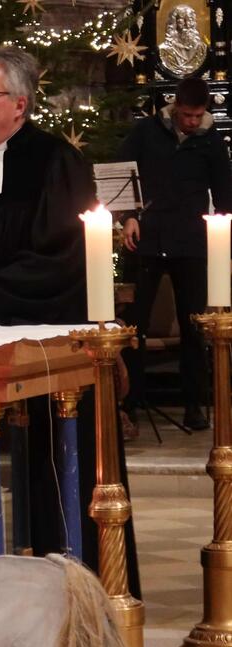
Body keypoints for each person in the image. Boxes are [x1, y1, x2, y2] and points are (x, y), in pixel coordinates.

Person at [0, 45, 139, 594]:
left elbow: (62, 257)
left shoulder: (54, 161)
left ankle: (75, 593)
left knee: (55, 476)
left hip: (44, 353)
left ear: (19, 104)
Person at [117, 76, 232, 432]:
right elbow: (122, 174)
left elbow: (225, 192)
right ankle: (131, 402)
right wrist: (129, 217)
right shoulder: (146, 132)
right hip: (146, 241)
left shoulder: (211, 142)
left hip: (192, 245)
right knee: (134, 326)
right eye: (186, 114)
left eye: (198, 116)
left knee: (194, 327)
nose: (192, 122)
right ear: (174, 107)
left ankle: (195, 404)